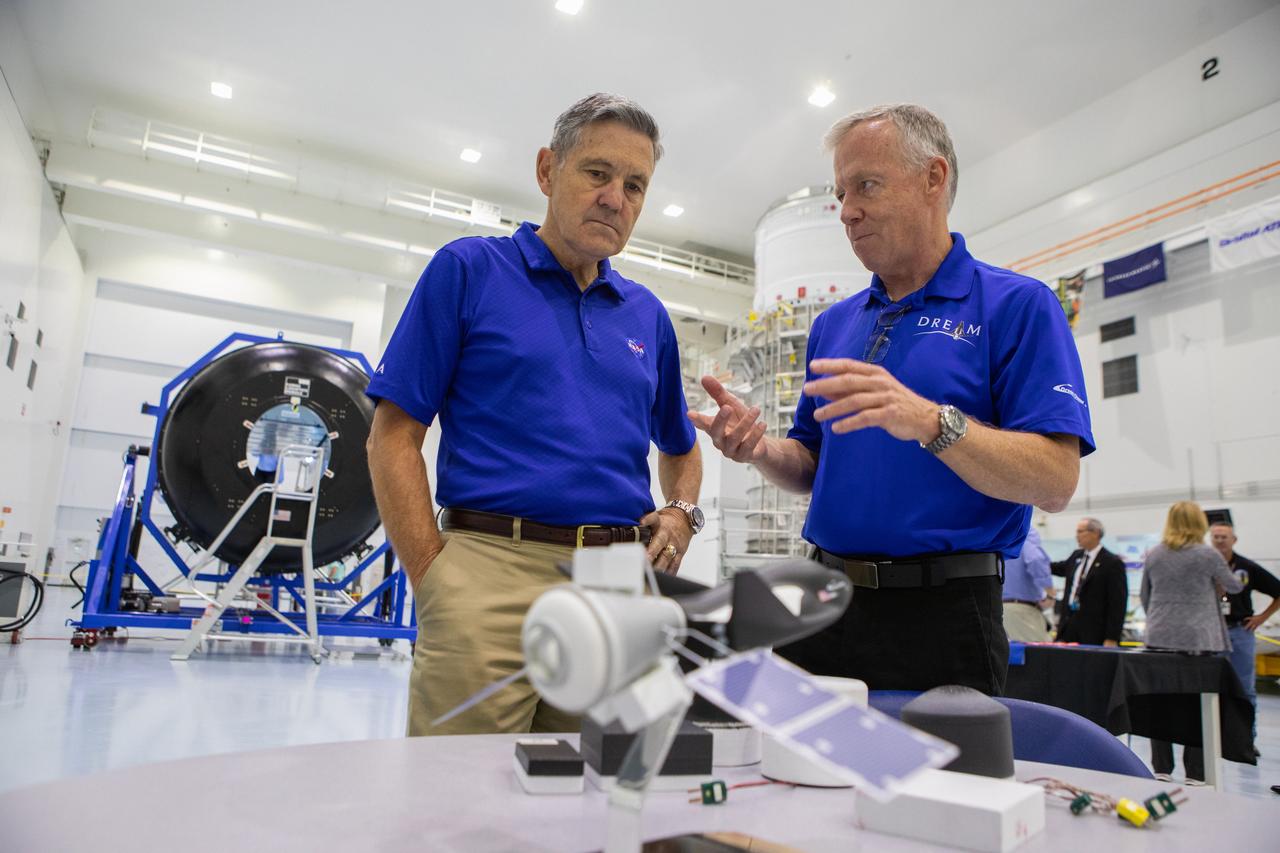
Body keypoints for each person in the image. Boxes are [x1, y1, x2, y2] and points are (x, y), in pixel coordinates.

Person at [691, 104, 1094, 695]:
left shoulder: (1018, 306)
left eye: (866, 186)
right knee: (800, 781)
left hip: (947, 614)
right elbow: (812, 463)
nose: (847, 211)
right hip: (824, 604)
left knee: (939, 786)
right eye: (840, 193)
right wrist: (759, 451)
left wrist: (930, 421)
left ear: (933, 179)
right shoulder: (834, 325)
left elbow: (1055, 481)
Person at [365, 93, 703, 736]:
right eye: (598, 174)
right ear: (549, 171)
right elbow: (392, 438)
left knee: (595, 802)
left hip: (614, 582)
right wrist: (434, 575)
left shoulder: (647, 316)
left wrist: (682, 513)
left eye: (635, 186)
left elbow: (681, 447)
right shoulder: (469, 271)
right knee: (462, 810)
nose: (615, 198)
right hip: (487, 573)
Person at [1142, 501, 1243, 783]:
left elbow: (1145, 596)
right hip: (1198, 640)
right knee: (1198, 708)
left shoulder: (1155, 554)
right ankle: (1196, 774)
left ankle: (1161, 769)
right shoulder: (1207, 555)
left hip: (1159, 638)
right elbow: (1234, 586)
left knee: (1160, 706)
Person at [1211, 520, 1280, 755]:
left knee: (1245, 689)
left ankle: (1246, 740)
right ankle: (1216, 739)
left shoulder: (1247, 567)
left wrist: (1261, 617)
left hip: (1240, 632)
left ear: (1234, 540)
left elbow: (1277, 591)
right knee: (1211, 688)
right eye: (1216, 537)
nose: (1220, 540)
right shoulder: (1205, 564)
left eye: (1224, 537)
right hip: (1212, 633)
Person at [1051, 517, 1128, 646]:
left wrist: (1112, 637)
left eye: (1081, 532)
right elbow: (1058, 568)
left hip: (1095, 632)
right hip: (1069, 626)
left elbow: (1118, 603)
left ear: (1096, 533)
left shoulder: (1112, 563)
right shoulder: (1076, 556)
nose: (1077, 536)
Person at [1002, 526, 1054, 643]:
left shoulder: (999, 531)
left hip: (1001, 608)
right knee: (1039, 654)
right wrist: (1050, 593)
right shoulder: (1023, 529)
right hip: (1021, 610)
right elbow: (1035, 559)